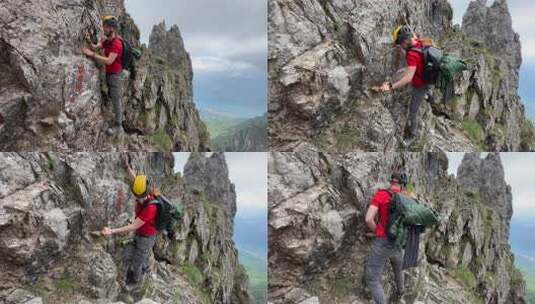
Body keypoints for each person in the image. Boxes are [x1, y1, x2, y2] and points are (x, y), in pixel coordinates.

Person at [101, 161, 158, 287]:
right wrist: (127, 167)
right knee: (134, 254)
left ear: (145, 193)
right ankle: (144, 263)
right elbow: (135, 180)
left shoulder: (151, 208)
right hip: (141, 234)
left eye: (139, 197)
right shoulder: (145, 190)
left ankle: (136, 280)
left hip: (146, 238)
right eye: (137, 196)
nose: (137, 199)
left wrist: (112, 231)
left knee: (136, 263)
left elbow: (133, 226)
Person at [376, 25, 434, 147]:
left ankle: (412, 135)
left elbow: (408, 78)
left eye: (400, 43)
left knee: (413, 110)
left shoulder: (412, 54)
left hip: (420, 85)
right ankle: (429, 91)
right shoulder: (421, 42)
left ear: (406, 40)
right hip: (428, 78)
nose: (400, 46)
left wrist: (391, 86)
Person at [364, 172, 407, 304]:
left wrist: (377, 231)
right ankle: (400, 293)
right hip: (398, 243)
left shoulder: (382, 195)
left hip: (382, 243)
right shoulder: (407, 198)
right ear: (402, 184)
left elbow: (368, 219)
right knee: (398, 269)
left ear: (391, 181)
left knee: (372, 280)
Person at [82, 15, 125, 136]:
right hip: (109, 73)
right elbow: (96, 47)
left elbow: (109, 61)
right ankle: (120, 116)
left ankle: (119, 126)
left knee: (116, 99)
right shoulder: (107, 41)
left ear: (112, 29)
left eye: (105, 27)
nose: (103, 29)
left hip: (116, 75)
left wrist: (92, 55)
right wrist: (89, 41)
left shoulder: (116, 44)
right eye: (103, 26)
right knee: (112, 96)